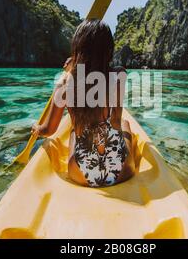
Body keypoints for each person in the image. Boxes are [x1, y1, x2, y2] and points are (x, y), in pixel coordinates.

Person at [31, 19, 135, 188]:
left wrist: (36, 128)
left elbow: (48, 130)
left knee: (74, 131)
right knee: (124, 124)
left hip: (80, 173)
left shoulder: (65, 86)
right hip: (121, 171)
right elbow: (115, 115)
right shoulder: (119, 75)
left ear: (77, 50)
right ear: (109, 50)